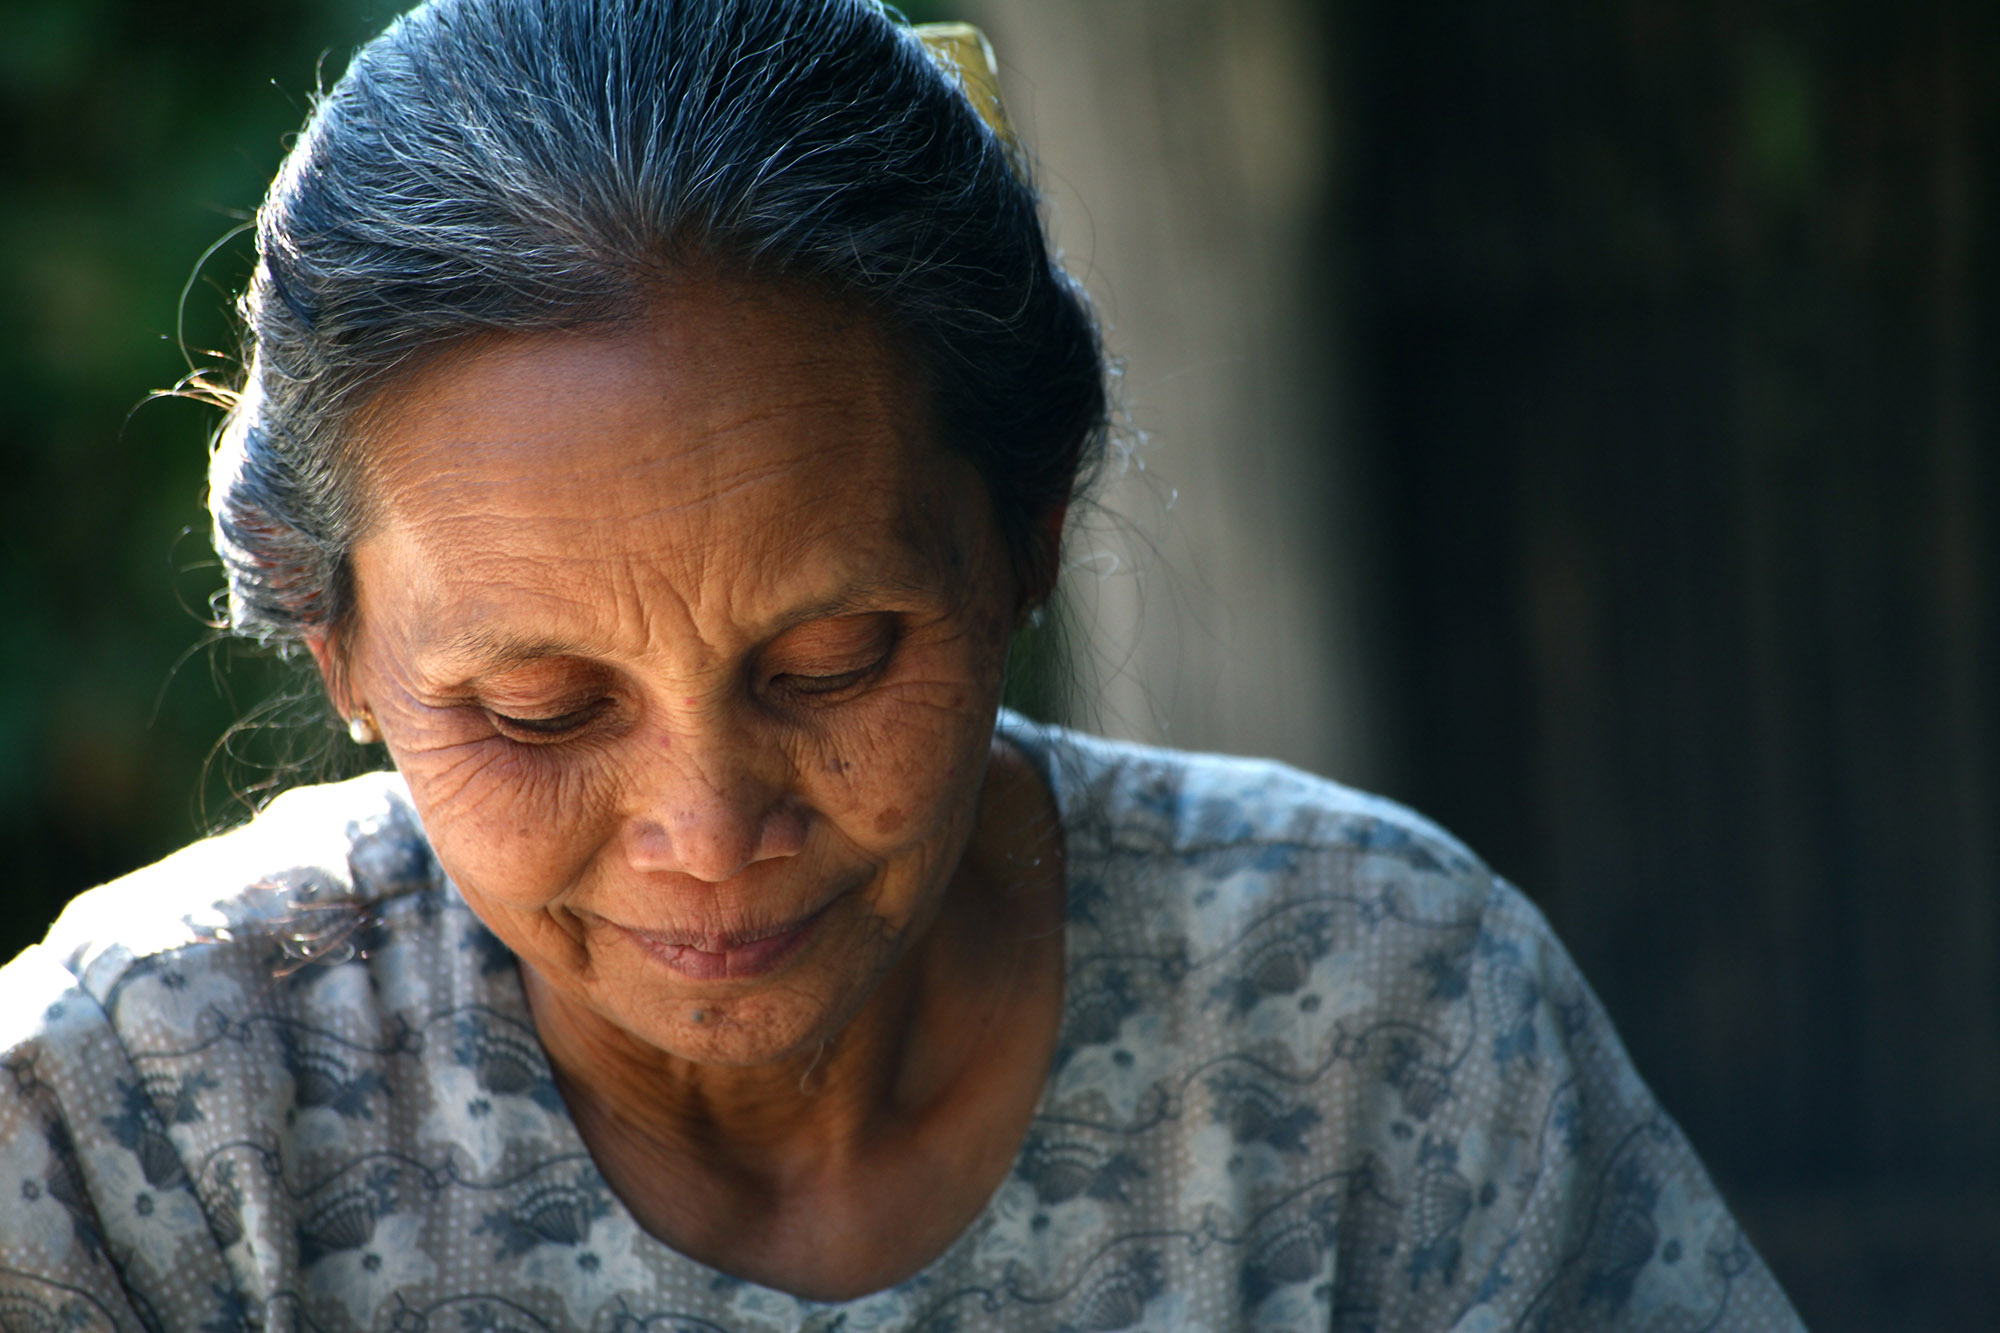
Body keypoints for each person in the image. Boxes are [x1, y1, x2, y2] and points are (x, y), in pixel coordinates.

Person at [0, 1, 1805, 1329]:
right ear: (342, 651)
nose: (707, 831)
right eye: (538, 708)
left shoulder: (1382, 1021)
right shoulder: (140, 1122)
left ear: (1026, 537)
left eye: (836, 656)